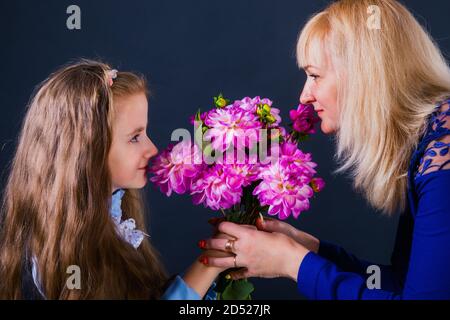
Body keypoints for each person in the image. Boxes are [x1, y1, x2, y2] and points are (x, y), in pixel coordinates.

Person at [201, 0, 450, 299]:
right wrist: (310, 250)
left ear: (364, 74)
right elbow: (402, 282)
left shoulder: (443, 159)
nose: (304, 96)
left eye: (315, 75)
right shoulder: (431, 143)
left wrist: (293, 263)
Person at [0, 59, 222, 299]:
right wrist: (211, 262)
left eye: (144, 132)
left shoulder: (111, 217)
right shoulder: (72, 256)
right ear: (85, 151)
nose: (153, 149)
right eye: (134, 137)